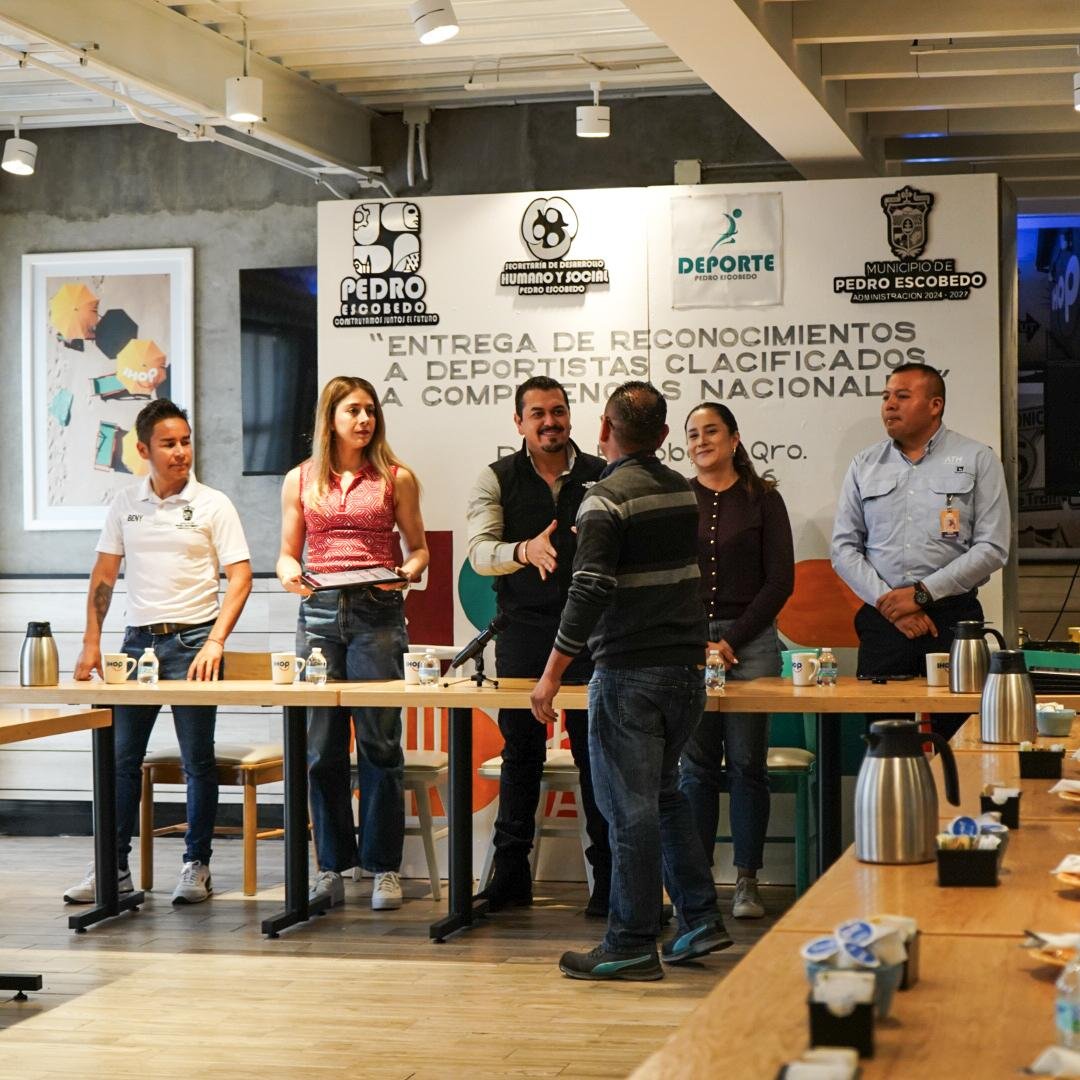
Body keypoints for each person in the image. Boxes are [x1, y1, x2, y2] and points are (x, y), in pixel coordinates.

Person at [531, 382, 731, 981]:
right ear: (665, 436)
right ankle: (698, 919)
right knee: (664, 797)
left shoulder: (603, 500)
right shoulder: (682, 492)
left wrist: (550, 676)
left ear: (603, 429)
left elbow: (589, 589)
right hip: (685, 673)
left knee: (629, 812)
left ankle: (631, 942)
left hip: (628, 674)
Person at [65, 399, 252, 906]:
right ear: (144, 449)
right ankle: (112, 866)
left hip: (194, 643)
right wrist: (90, 642)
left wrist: (215, 641)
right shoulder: (125, 503)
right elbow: (104, 576)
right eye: (169, 444)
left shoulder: (213, 504)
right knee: (120, 759)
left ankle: (197, 865)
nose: (181, 452)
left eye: (186, 441)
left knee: (198, 761)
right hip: (135, 644)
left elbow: (240, 577)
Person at [277, 376, 428, 911]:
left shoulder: (395, 477)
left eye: (370, 411)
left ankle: (384, 867)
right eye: (353, 411)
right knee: (321, 749)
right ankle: (331, 867)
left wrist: (406, 573)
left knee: (379, 744)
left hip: (377, 614)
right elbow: (287, 553)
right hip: (318, 614)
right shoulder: (300, 478)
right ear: (331, 418)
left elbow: (419, 549)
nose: (364, 420)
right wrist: (288, 572)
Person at [466, 376, 611, 916]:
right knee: (520, 756)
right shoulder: (496, 477)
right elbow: (480, 553)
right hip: (523, 635)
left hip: (593, 634)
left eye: (558, 411)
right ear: (519, 422)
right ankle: (510, 880)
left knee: (597, 759)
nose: (550, 422)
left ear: (570, 415)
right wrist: (525, 551)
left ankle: (610, 883)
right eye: (538, 414)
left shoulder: (603, 472)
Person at [831, 363, 1010, 735]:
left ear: (935, 405)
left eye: (902, 396)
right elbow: (844, 549)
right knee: (884, 742)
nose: (889, 404)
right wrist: (891, 605)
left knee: (960, 741)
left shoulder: (978, 459)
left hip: (952, 622)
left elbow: (992, 547)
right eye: (886, 396)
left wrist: (921, 594)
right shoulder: (864, 464)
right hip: (884, 623)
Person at [678, 402, 794, 920]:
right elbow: (673, 578)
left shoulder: (763, 498)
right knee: (697, 767)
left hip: (752, 644)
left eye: (711, 431)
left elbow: (781, 580)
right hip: (691, 645)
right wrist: (698, 642)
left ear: (734, 438)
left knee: (748, 765)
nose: (701, 441)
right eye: (693, 434)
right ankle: (697, 883)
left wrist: (730, 641)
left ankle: (747, 880)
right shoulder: (679, 498)